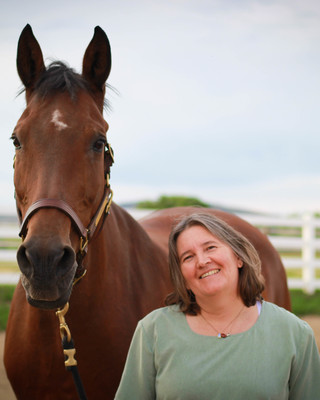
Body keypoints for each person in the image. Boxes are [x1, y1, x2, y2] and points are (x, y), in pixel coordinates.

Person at [115, 213, 320, 399]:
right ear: (182, 277)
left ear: (238, 257)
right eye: (188, 257)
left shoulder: (295, 334)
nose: (202, 261)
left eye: (210, 247)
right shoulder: (153, 330)